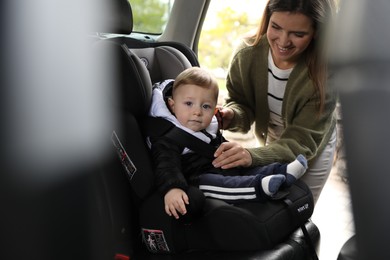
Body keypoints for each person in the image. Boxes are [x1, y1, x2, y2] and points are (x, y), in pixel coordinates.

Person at [214, 0, 338, 204]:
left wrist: (252, 156)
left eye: (298, 34)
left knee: (295, 209)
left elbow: (301, 140)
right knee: (266, 205)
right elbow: (241, 103)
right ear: (267, 19)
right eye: (276, 27)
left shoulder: (326, 72)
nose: (283, 41)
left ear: (317, 32)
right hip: (271, 138)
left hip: (311, 146)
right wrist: (231, 116)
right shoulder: (247, 53)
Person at [148, 67, 308, 220]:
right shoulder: (168, 136)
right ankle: (260, 187)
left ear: (214, 109)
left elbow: (218, 147)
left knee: (245, 168)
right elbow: (165, 165)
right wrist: (172, 188)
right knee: (225, 184)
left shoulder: (207, 128)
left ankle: (281, 171)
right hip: (196, 180)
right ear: (172, 105)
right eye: (189, 104)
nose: (197, 112)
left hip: (216, 167)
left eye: (205, 106)